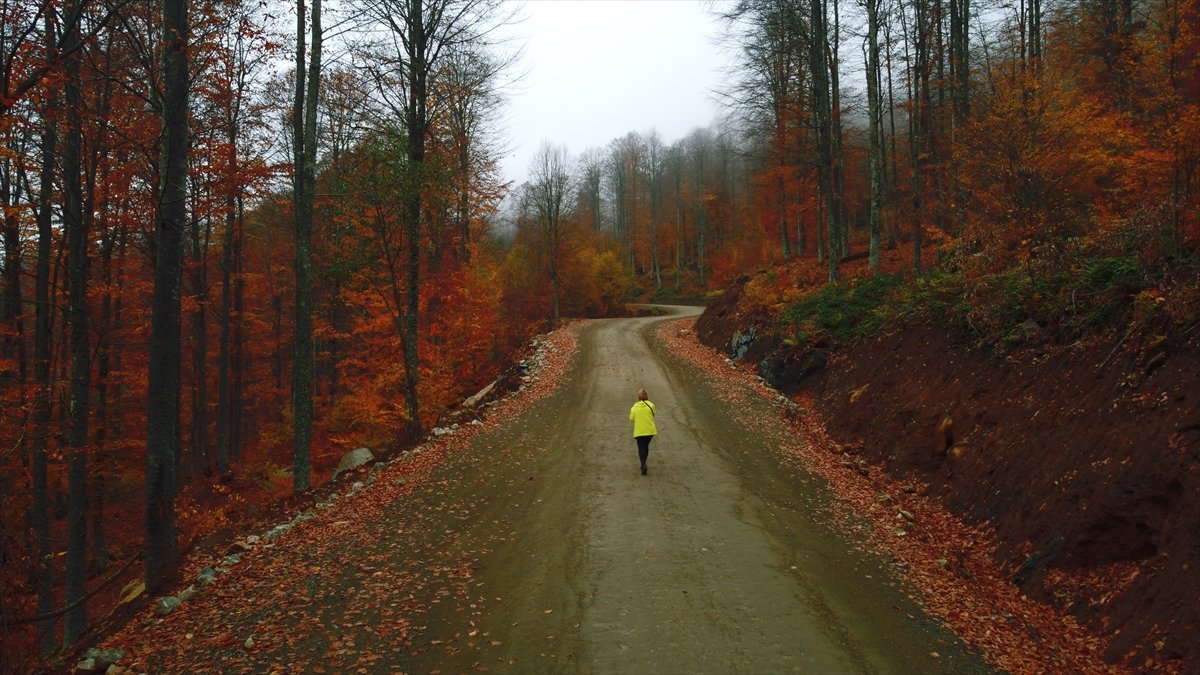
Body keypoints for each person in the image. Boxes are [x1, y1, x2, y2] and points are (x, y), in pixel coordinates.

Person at [629, 388, 657, 475]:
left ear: (638, 397)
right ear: (647, 396)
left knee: (641, 447)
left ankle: (643, 464)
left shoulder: (634, 407)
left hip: (639, 431)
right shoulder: (651, 405)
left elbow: (631, 419)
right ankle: (643, 463)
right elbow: (653, 414)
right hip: (650, 431)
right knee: (646, 446)